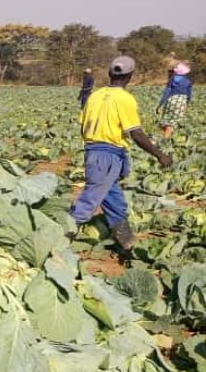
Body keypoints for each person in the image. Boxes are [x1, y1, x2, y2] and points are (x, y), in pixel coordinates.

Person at [71, 57, 172, 251]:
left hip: (92, 151)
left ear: (110, 74)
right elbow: (136, 133)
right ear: (130, 76)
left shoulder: (95, 96)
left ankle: (126, 241)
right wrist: (159, 154)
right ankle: (60, 239)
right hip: (108, 154)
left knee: (114, 199)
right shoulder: (125, 99)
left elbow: (83, 124)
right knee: (89, 200)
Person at [157, 62, 192, 139]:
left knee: (166, 121)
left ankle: (166, 138)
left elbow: (166, 93)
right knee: (173, 122)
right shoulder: (188, 81)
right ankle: (166, 140)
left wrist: (160, 105)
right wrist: (186, 104)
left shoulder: (172, 79)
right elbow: (189, 95)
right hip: (181, 102)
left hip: (171, 100)